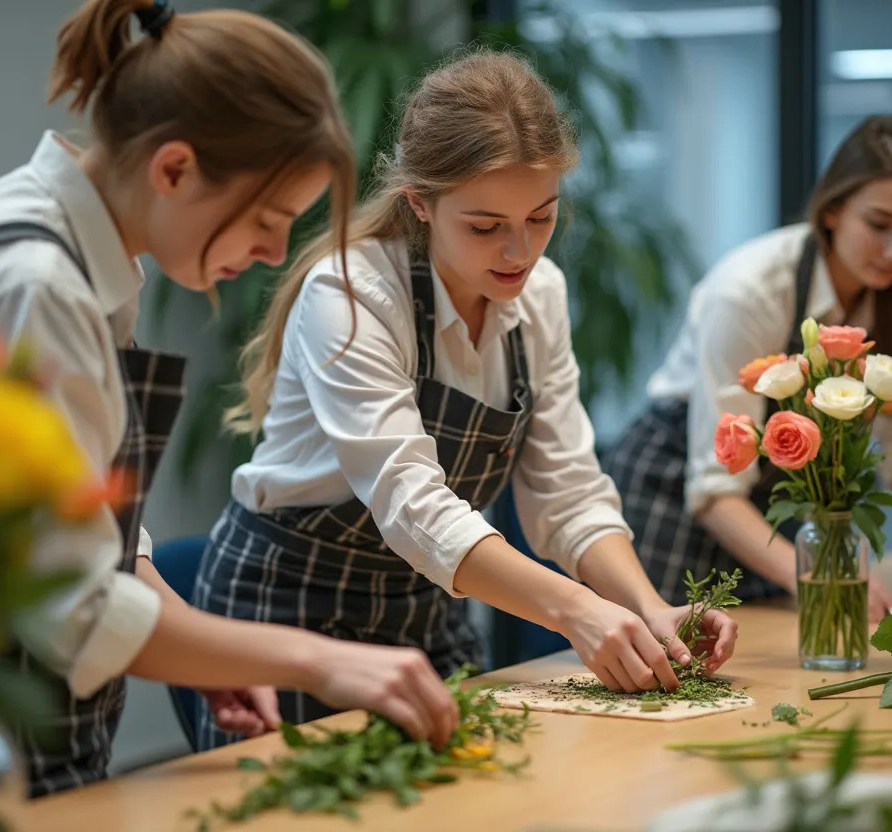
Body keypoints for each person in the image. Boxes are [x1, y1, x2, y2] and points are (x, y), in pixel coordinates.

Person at [0, 0, 457, 798]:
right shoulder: (36, 284)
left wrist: (207, 653)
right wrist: (322, 658)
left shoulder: (76, 256)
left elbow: (84, 524)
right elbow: (77, 606)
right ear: (174, 169)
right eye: (266, 220)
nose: (272, 253)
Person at [193, 50, 739, 751]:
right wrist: (577, 610)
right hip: (288, 609)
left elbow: (567, 491)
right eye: (485, 226)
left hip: (429, 606)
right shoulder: (353, 294)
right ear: (420, 202)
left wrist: (648, 606)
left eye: (541, 218)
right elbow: (410, 502)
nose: (519, 252)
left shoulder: (538, 298)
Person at [600, 114, 892, 621]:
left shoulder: (891, 300)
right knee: (669, 668)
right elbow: (714, 490)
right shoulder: (750, 291)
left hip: (771, 511)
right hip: (672, 487)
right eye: (880, 225)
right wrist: (819, 574)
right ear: (834, 209)